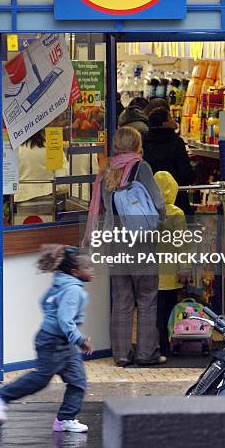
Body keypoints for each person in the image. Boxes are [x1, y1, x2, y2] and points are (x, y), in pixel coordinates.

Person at [0, 244, 94, 432]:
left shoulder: (60, 282)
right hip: (53, 342)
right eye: (88, 268)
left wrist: (54, 321)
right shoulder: (73, 290)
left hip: (60, 341)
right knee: (41, 379)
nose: (92, 270)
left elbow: (44, 302)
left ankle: (65, 419)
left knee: (78, 381)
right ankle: (0, 396)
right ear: (75, 272)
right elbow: (64, 319)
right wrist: (80, 339)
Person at [84, 126, 166, 367]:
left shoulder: (106, 170)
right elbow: (158, 202)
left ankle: (121, 354)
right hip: (141, 242)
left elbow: (99, 210)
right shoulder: (142, 167)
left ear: (116, 145)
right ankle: (146, 353)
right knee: (147, 298)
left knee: (121, 299)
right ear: (137, 145)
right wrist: (158, 223)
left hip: (116, 243)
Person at [154, 171, 187, 356]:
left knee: (154, 312)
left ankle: (157, 345)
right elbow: (181, 243)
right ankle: (167, 343)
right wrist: (185, 267)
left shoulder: (149, 212)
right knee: (169, 311)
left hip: (152, 270)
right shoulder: (176, 213)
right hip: (171, 272)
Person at [143, 107, 194, 215]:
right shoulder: (176, 142)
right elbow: (185, 173)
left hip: (151, 198)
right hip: (177, 197)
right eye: (170, 118)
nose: (173, 121)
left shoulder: (144, 142)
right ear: (164, 123)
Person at [15, 129, 69, 205]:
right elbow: (62, 180)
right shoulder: (52, 145)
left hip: (22, 197)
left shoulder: (16, 149)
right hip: (49, 198)